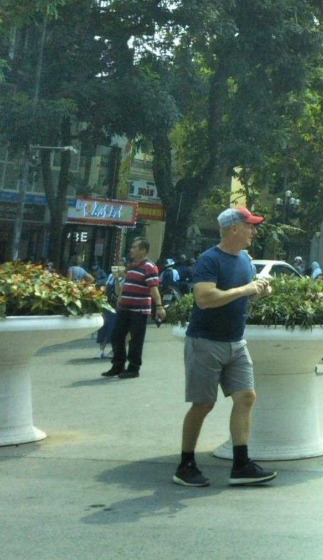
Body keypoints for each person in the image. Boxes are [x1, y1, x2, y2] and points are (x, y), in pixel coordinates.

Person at [173, 205, 277, 488]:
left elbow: (237, 295)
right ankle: (185, 465)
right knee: (203, 404)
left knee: (246, 397)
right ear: (234, 229)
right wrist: (245, 289)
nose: (254, 231)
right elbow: (205, 299)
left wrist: (259, 290)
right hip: (205, 342)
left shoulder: (245, 259)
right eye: (250, 225)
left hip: (235, 342)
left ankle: (241, 465)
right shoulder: (210, 259)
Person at [103, 237, 164, 378]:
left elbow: (154, 289)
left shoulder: (149, 267)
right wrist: (120, 295)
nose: (131, 250)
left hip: (139, 310)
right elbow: (125, 285)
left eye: (134, 247)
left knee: (136, 340)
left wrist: (159, 307)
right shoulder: (132, 266)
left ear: (143, 250)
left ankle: (133, 368)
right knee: (117, 336)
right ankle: (118, 365)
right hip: (125, 308)